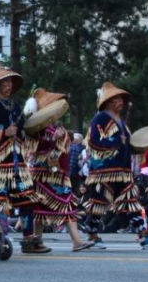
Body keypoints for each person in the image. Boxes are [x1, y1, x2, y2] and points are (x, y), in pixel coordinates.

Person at [84, 82, 148, 249]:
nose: (120, 101)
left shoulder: (120, 121)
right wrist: (117, 141)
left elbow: (127, 143)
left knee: (129, 202)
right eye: (116, 99)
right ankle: (92, 236)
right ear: (107, 101)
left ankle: (144, 235)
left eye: (121, 98)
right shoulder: (100, 118)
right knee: (97, 203)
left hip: (122, 170)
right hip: (104, 170)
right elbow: (93, 141)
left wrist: (137, 148)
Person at [0, 64, 45, 253]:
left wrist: (33, 130)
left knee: (27, 199)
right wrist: (4, 132)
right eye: (4, 82)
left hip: (17, 162)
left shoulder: (15, 105)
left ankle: (29, 240)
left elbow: (23, 131)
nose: (9, 85)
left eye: (10, 81)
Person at [22, 88, 94, 252]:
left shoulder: (50, 127)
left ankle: (39, 241)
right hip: (44, 175)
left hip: (54, 174)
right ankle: (75, 241)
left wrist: (62, 137)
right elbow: (36, 152)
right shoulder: (34, 129)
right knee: (60, 206)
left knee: (44, 209)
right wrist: (54, 140)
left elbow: (61, 148)